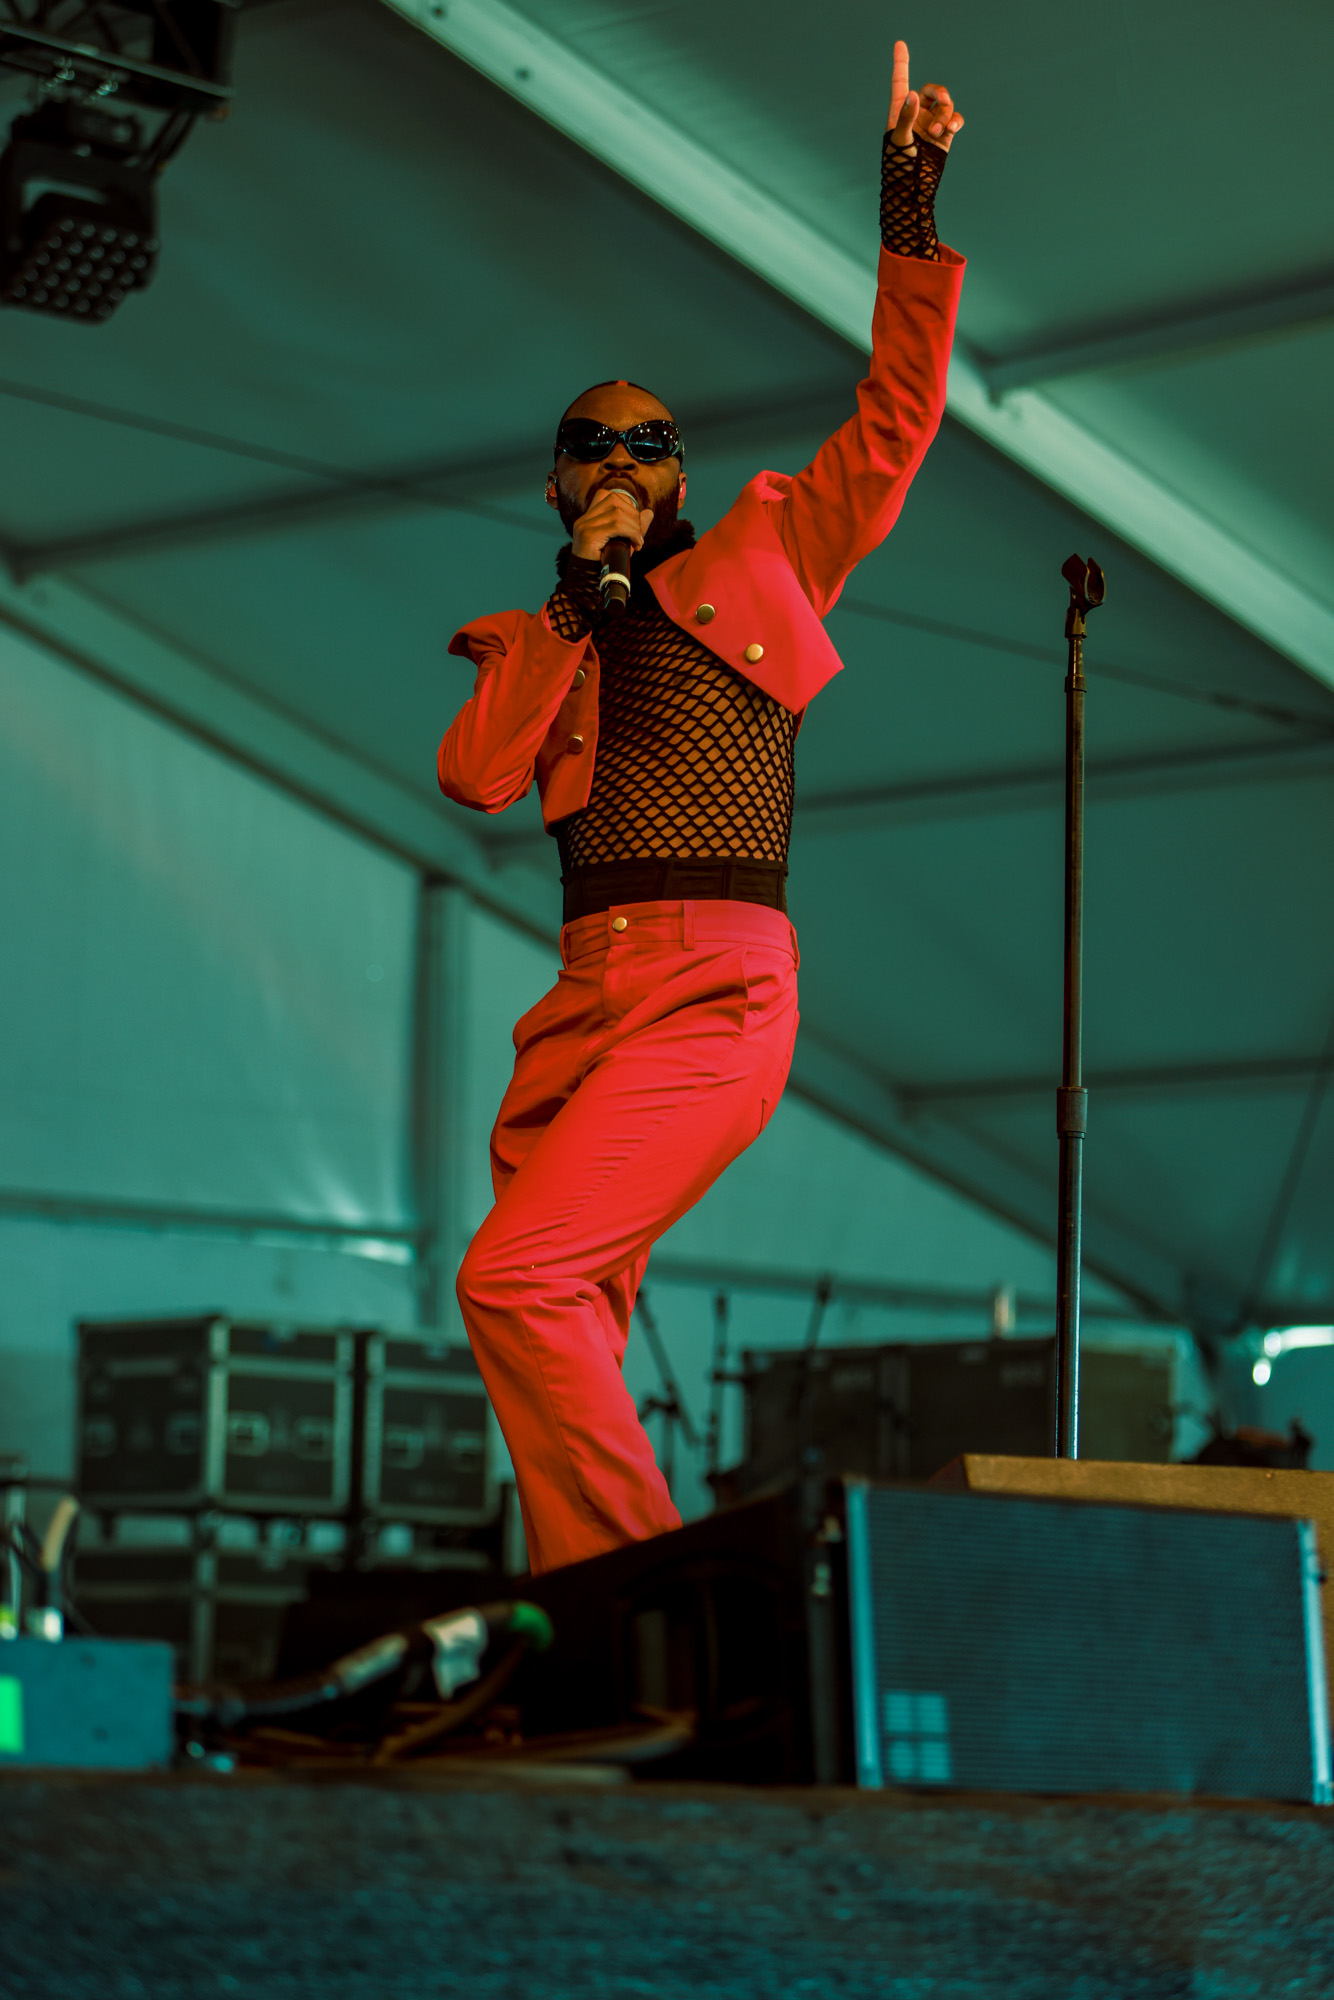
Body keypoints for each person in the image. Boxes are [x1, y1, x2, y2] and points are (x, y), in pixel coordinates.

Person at [439, 42, 965, 1574]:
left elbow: (895, 418)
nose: (621, 458)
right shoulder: (538, 637)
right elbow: (477, 778)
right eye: (591, 446)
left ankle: (646, 1596)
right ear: (555, 487)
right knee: (570, 1311)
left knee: (513, 1282)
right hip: (580, 996)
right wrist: (576, 606)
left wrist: (907, 217)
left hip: (714, 985)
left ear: (681, 476)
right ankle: (594, 1616)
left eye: (648, 443)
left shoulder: (768, 555)